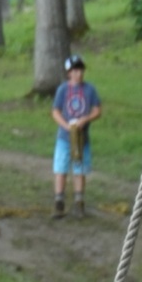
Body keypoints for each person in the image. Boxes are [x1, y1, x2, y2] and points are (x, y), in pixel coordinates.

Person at [51, 54, 102, 218]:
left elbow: (97, 110)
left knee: (80, 169)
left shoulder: (89, 89)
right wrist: (66, 126)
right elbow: (55, 111)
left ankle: (79, 203)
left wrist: (85, 119)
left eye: (80, 69)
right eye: (75, 70)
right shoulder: (63, 90)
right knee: (61, 168)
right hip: (64, 139)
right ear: (69, 73)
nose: (78, 73)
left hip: (82, 138)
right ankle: (59, 202)